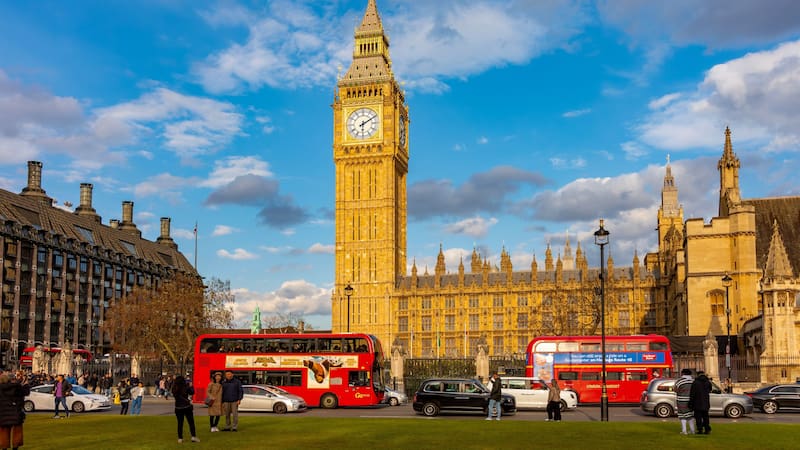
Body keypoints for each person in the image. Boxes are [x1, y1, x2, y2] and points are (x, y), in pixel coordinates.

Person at [0, 372, 30, 449]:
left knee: (4, 431)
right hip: (15, 411)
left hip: (3, 412)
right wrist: (26, 384)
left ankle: (4, 447)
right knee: (17, 431)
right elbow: (26, 392)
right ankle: (15, 447)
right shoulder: (16, 387)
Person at [171, 376, 199, 443]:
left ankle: (180, 438)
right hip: (186, 406)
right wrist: (191, 386)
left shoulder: (174, 388)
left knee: (180, 423)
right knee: (191, 422)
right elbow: (192, 392)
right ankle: (193, 437)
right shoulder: (185, 387)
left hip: (178, 407)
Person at [674, 368, 696, 435]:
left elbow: (675, 389)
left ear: (683, 373)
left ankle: (684, 431)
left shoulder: (679, 381)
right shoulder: (693, 381)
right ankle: (692, 430)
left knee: (682, 415)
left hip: (681, 400)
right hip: (691, 400)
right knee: (690, 414)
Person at [690, 370, 712, 435]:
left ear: (698, 375)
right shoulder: (708, 382)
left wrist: (691, 402)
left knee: (698, 417)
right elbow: (710, 390)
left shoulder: (695, 382)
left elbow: (692, 393)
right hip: (705, 401)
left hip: (697, 402)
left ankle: (700, 429)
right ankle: (707, 429)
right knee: (706, 417)